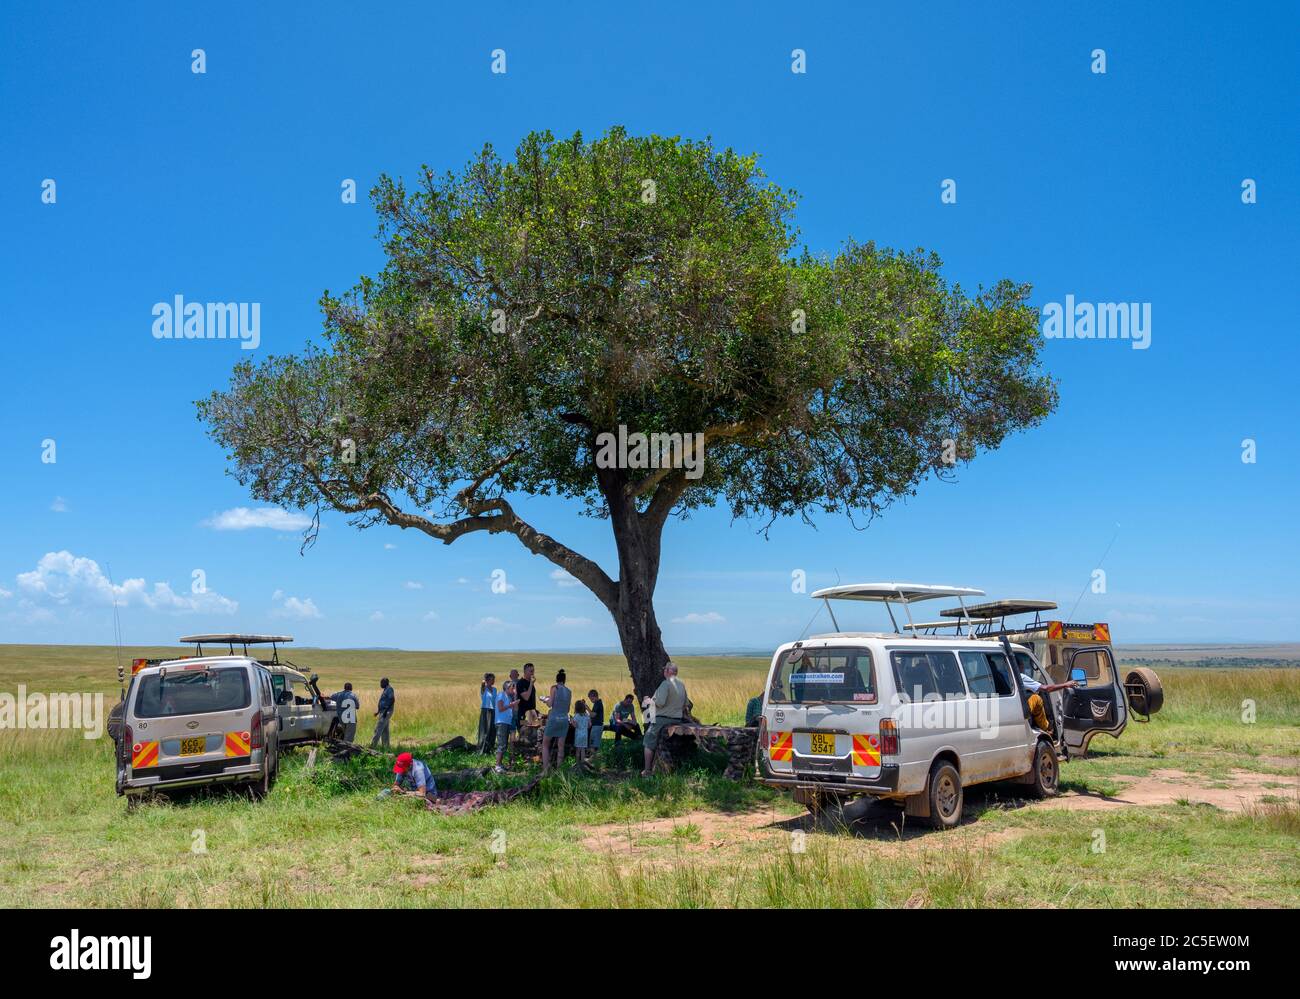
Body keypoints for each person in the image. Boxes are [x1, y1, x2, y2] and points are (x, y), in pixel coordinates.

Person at [642, 662, 687, 777]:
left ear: (668, 672)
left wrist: (649, 701)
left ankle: (647, 770)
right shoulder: (681, 685)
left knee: (648, 741)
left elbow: (660, 703)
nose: (663, 671)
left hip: (663, 719)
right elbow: (685, 704)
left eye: (665, 669)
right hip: (677, 719)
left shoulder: (665, 684)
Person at [1019, 666, 1077, 734]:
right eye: (1023, 666)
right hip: (1022, 713)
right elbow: (1046, 688)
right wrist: (1065, 684)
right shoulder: (1020, 677)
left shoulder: (1007, 675)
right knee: (1036, 698)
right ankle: (1046, 729)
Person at [540, 668, 572, 775]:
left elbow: (550, 704)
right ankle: (559, 770)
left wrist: (544, 699)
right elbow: (568, 709)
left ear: (556, 679)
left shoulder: (554, 688)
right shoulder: (569, 691)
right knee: (561, 746)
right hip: (564, 719)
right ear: (564, 680)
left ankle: (545, 770)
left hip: (554, 718)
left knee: (545, 744)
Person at [494, 680, 519, 773]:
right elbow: (500, 708)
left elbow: (514, 709)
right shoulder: (501, 695)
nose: (514, 689)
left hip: (507, 722)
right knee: (502, 744)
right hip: (501, 722)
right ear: (507, 688)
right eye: (512, 688)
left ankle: (500, 764)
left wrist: (514, 701)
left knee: (504, 744)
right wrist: (511, 705)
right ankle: (497, 765)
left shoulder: (509, 697)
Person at [477, 673, 498, 754]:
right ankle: (481, 750)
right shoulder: (484, 688)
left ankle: (490, 749)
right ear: (487, 680)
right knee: (485, 731)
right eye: (491, 679)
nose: (493, 681)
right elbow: (482, 686)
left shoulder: (495, 689)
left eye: (493, 679)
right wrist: (483, 682)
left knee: (492, 730)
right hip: (486, 710)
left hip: (493, 711)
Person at [371, 677, 394, 749]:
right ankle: (386, 747)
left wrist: (386, 711)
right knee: (385, 730)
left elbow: (392, 700)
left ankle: (372, 746)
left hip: (386, 712)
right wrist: (378, 712)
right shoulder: (386, 689)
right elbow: (384, 701)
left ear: (386, 683)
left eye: (381, 683)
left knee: (378, 728)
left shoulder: (389, 689)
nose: (380, 684)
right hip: (383, 711)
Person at [572, 699, 591, 773]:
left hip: (578, 735)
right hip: (585, 735)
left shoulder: (576, 716)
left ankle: (577, 763)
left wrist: (572, 721)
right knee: (583, 750)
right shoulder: (587, 715)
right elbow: (589, 725)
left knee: (578, 750)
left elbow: (575, 725)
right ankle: (583, 764)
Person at [515, 663, 537, 727]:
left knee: (532, 733)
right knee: (524, 733)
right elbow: (526, 697)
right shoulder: (521, 683)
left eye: (533, 671)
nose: (532, 673)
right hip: (523, 714)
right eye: (530, 671)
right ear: (525, 671)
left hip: (532, 713)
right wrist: (531, 684)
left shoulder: (530, 683)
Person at [587, 689, 604, 753]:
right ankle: (596, 760)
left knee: (592, 746)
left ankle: (595, 760)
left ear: (594, 696)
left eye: (591, 699)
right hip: (598, 726)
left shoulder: (597, 703)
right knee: (596, 746)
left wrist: (586, 707)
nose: (591, 701)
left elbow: (592, 715)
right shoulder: (598, 703)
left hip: (596, 727)